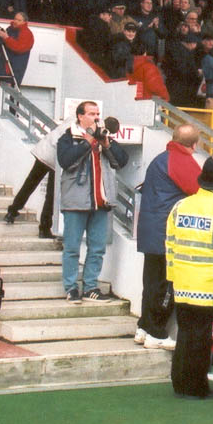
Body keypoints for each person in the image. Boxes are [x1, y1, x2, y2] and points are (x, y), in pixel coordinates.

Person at [165, 155, 213, 399]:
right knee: (201, 338)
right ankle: (197, 386)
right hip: (207, 286)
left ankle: (179, 382)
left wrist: (172, 276)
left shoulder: (180, 206)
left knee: (185, 333)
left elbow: (170, 243)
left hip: (182, 282)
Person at [135, 124, 201, 349]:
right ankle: (156, 332)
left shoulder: (161, 158)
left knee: (151, 281)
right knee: (166, 283)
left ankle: (144, 327)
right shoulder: (182, 160)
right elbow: (199, 190)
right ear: (194, 145)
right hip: (167, 233)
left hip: (150, 228)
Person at [56, 101, 129, 303]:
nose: (96, 117)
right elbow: (66, 161)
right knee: (72, 247)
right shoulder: (68, 137)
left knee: (97, 248)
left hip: (101, 202)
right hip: (76, 202)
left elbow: (122, 161)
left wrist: (107, 145)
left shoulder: (103, 137)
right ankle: (71, 288)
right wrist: (88, 141)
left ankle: (90, 287)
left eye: (98, 113)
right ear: (80, 116)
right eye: (91, 113)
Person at [3, 112, 76, 239]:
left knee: (30, 184)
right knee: (51, 195)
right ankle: (44, 228)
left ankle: (12, 211)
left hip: (43, 153)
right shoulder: (78, 127)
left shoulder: (71, 119)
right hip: (56, 160)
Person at [0, 11, 34, 87]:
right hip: (2, 66)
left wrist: (6, 38)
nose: (16, 21)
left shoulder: (27, 33)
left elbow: (19, 48)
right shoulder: (10, 29)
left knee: (11, 90)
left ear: (25, 22)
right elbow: (3, 44)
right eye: (15, 19)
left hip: (14, 68)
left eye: (19, 20)